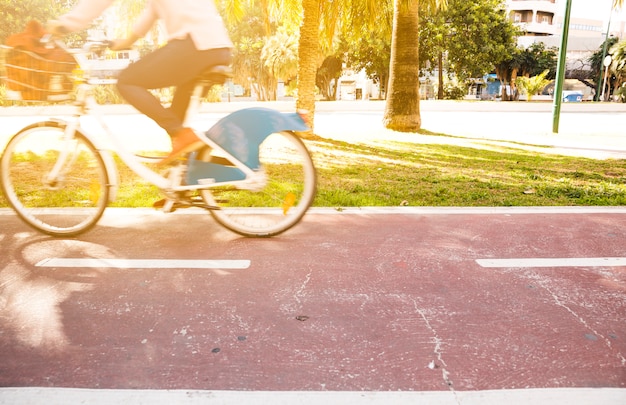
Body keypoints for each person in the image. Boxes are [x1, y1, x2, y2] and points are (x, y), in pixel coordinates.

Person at [47, 0, 233, 163]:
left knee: (126, 81)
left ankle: (182, 135)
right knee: (175, 122)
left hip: (193, 44)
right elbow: (151, 12)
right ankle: (181, 187)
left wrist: (65, 25)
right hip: (217, 48)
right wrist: (126, 42)